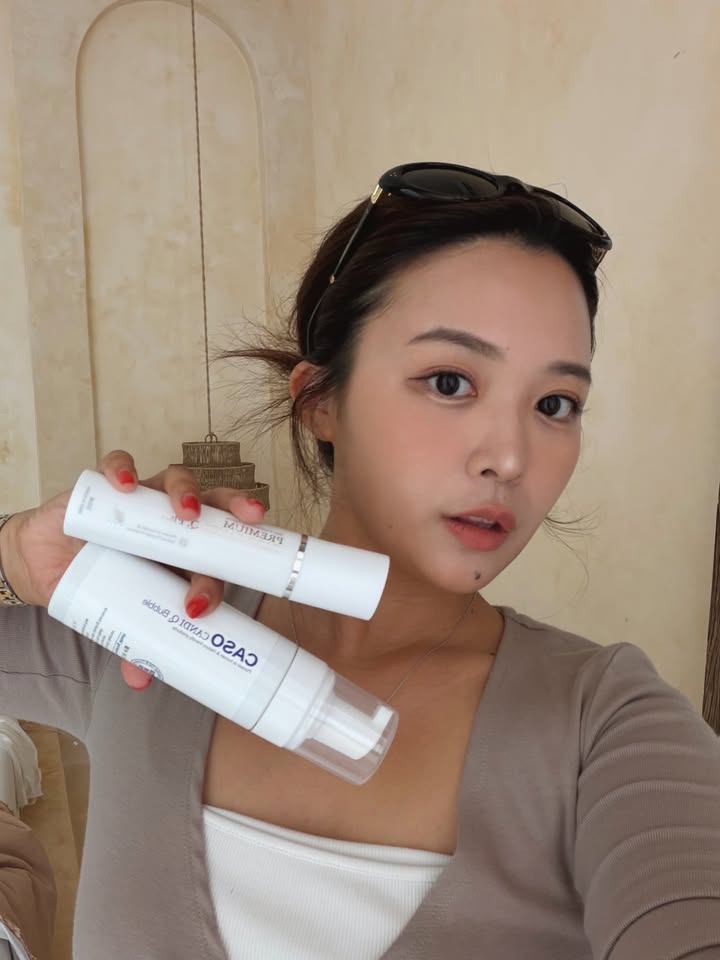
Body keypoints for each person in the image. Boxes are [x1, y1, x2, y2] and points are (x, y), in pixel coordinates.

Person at [0, 161, 719, 959]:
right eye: (450, 381)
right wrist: (17, 555)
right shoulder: (146, 628)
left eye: (555, 404)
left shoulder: (605, 726)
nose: (511, 458)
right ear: (321, 402)